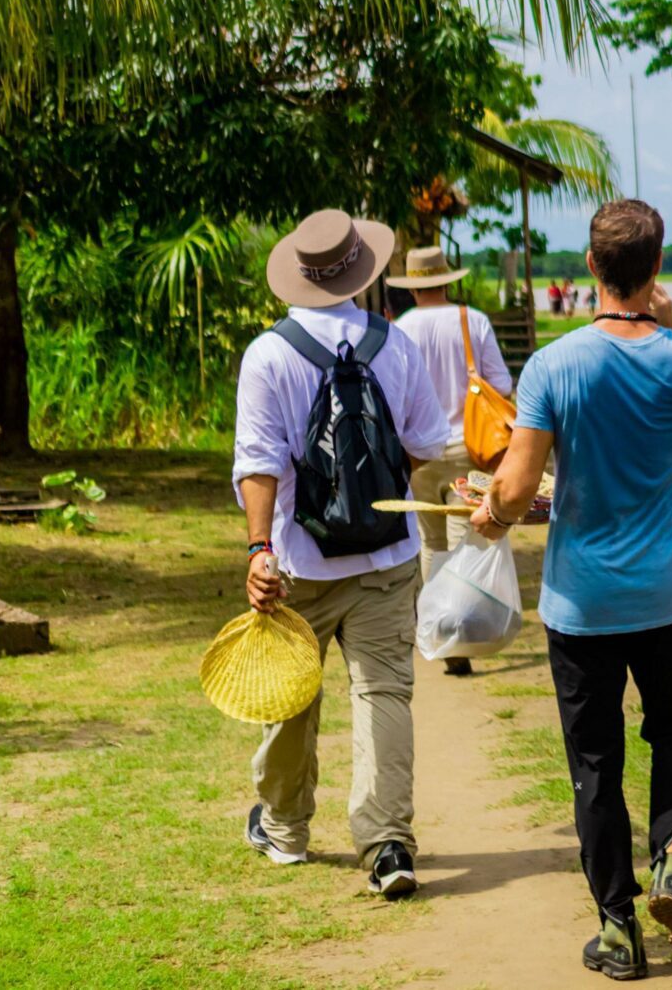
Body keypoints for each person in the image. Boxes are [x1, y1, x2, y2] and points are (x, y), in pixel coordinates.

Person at [473, 199, 672, 981]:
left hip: (583, 602)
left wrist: (489, 512)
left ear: (590, 266)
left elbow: (517, 487)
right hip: (670, 592)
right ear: (657, 268)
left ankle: (618, 927)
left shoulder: (556, 364)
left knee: (596, 764)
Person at [232, 208, 448, 899]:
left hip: (301, 561)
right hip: (387, 556)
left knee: (290, 695)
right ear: (361, 271)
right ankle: (387, 844)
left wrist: (261, 549)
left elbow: (260, 464)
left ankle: (287, 830)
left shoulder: (270, 353)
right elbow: (424, 446)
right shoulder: (396, 344)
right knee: (384, 692)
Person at [385, 245, 515, 677]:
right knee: (465, 540)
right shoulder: (471, 321)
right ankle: (461, 631)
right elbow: (501, 383)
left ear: (413, 285)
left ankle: (440, 632)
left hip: (418, 453)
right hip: (469, 448)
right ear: (446, 280)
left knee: (429, 543)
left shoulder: (400, 329)